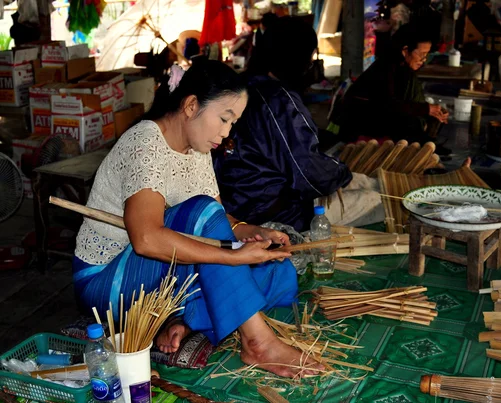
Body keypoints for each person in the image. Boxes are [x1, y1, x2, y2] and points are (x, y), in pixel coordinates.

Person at [72, 60, 322, 378]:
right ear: (191, 105)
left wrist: (251, 232)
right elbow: (147, 239)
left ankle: (180, 321)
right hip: (108, 283)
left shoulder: (198, 149)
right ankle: (257, 342)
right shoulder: (145, 144)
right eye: (224, 119)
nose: (227, 132)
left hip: (161, 276)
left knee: (279, 273)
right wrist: (231, 258)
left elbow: (219, 220)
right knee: (215, 236)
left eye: (233, 123)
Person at [213, 19, 384, 232]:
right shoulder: (278, 99)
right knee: (381, 200)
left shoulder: (240, 85)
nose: (311, 64)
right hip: (276, 214)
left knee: (369, 183)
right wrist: (341, 173)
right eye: (310, 58)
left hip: (239, 203)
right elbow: (308, 170)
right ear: (295, 57)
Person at [338, 25, 448, 145]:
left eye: (426, 55)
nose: (423, 60)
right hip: (360, 125)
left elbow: (406, 103)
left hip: (380, 118)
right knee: (411, 123)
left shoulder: (402, 69)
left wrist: (432, 111)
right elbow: (388, 105)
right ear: (405, 51)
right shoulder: (386, 68)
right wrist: (426, 109)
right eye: (421, 54)